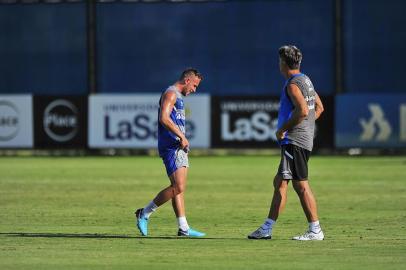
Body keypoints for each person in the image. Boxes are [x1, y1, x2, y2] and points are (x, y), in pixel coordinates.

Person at [248, 45, 325, 240]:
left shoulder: (292, 84)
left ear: (283, 63)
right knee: (280, 182)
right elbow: (319, 108)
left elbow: (302, 111)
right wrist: (307, 127)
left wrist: (283, 129)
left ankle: (315, 230)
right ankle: (267, 228)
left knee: (301, 186)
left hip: (294, 140)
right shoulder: (306, 80)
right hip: (303, 139)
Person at [135, 68, 205, 237]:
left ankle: (184, 228)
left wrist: (182, 139)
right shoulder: (171, 93)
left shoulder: (178, 96)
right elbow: (164, 118)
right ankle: (144, 213)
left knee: (178, 188)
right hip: (171, 146)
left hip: (178, 145)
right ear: (187, 80)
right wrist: (181, 136)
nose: (194, 90)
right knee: (178, 186)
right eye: (194, 86)